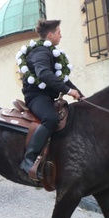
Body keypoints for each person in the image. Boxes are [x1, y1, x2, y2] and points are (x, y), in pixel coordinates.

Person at [19, 20, 83, 181]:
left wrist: (80, 95)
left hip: (47, 96)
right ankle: (29, 159)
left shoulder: (51, 52)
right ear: (50, 35)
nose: (61, 35)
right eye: (59, 32)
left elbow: (62, 79)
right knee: (51, 118)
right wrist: (68, 91)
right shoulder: (41, 52)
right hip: (36, 97)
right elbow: (43, 74)